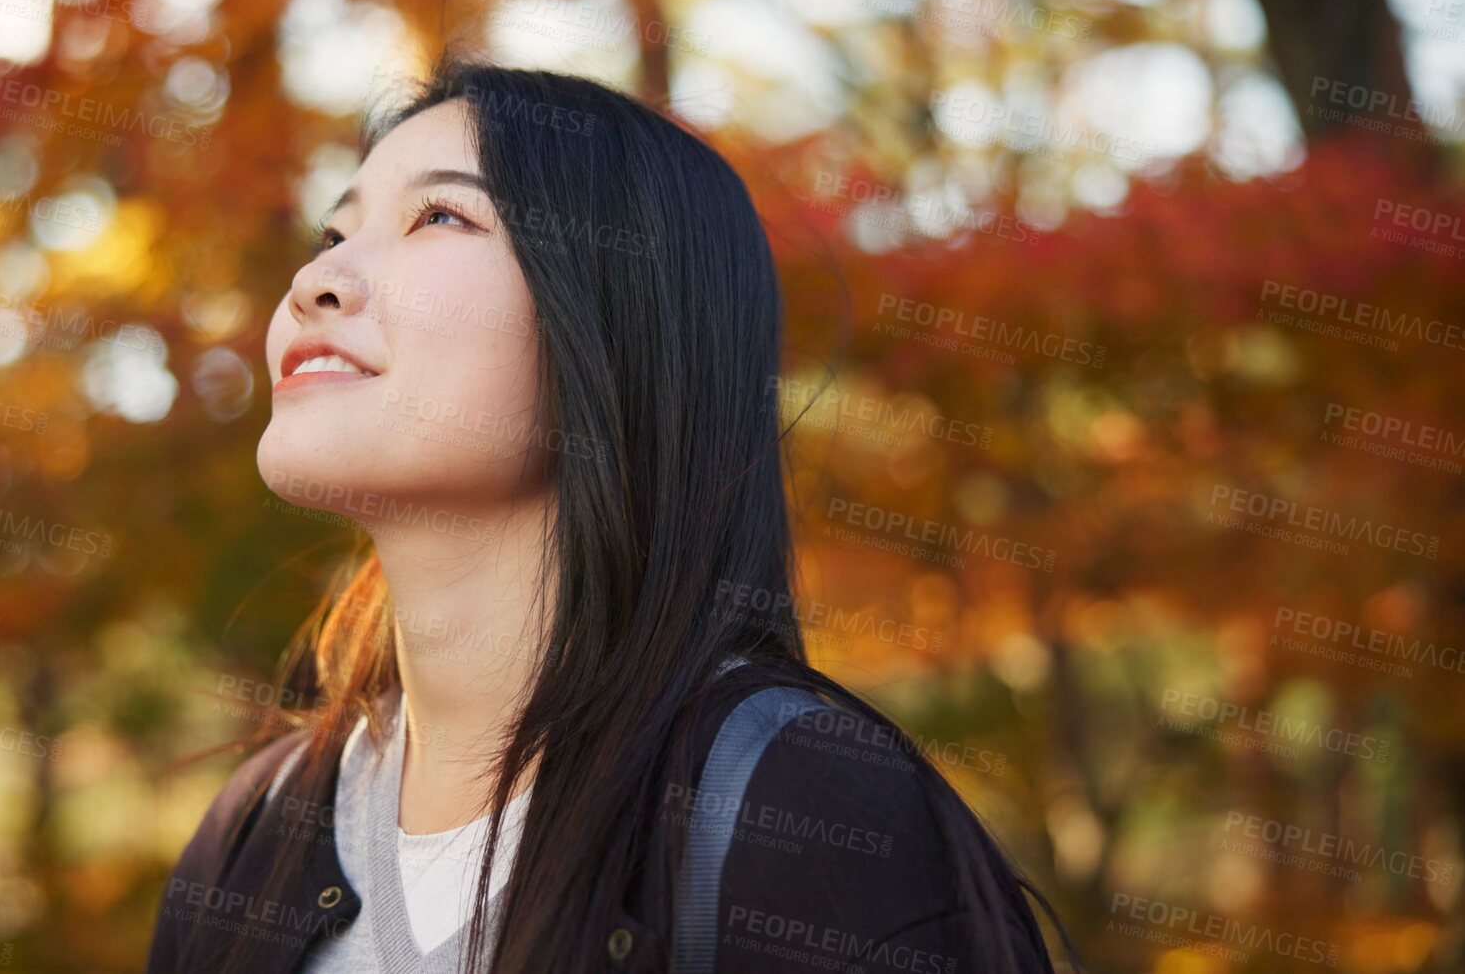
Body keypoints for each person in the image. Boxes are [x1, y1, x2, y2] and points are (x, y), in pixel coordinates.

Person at [145, 55, 1075, 974]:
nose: (319, 280)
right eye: (330, 236)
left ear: (619, 321)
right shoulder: (255, 833)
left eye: (438, 215)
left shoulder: (802, 824)